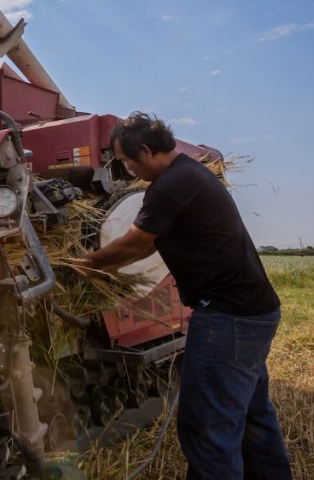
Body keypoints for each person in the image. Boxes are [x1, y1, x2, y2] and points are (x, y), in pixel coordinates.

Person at [80, 112, 292, 480]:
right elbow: (148, 244)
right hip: (254, 313)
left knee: (207, 428)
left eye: (128, 160)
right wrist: (110, 265)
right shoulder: (192, 174)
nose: (127, 168)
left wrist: (83, 265)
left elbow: (135, 242)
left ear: (145, 151)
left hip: (227, 318)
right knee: (253, 418)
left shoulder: (169, 185)